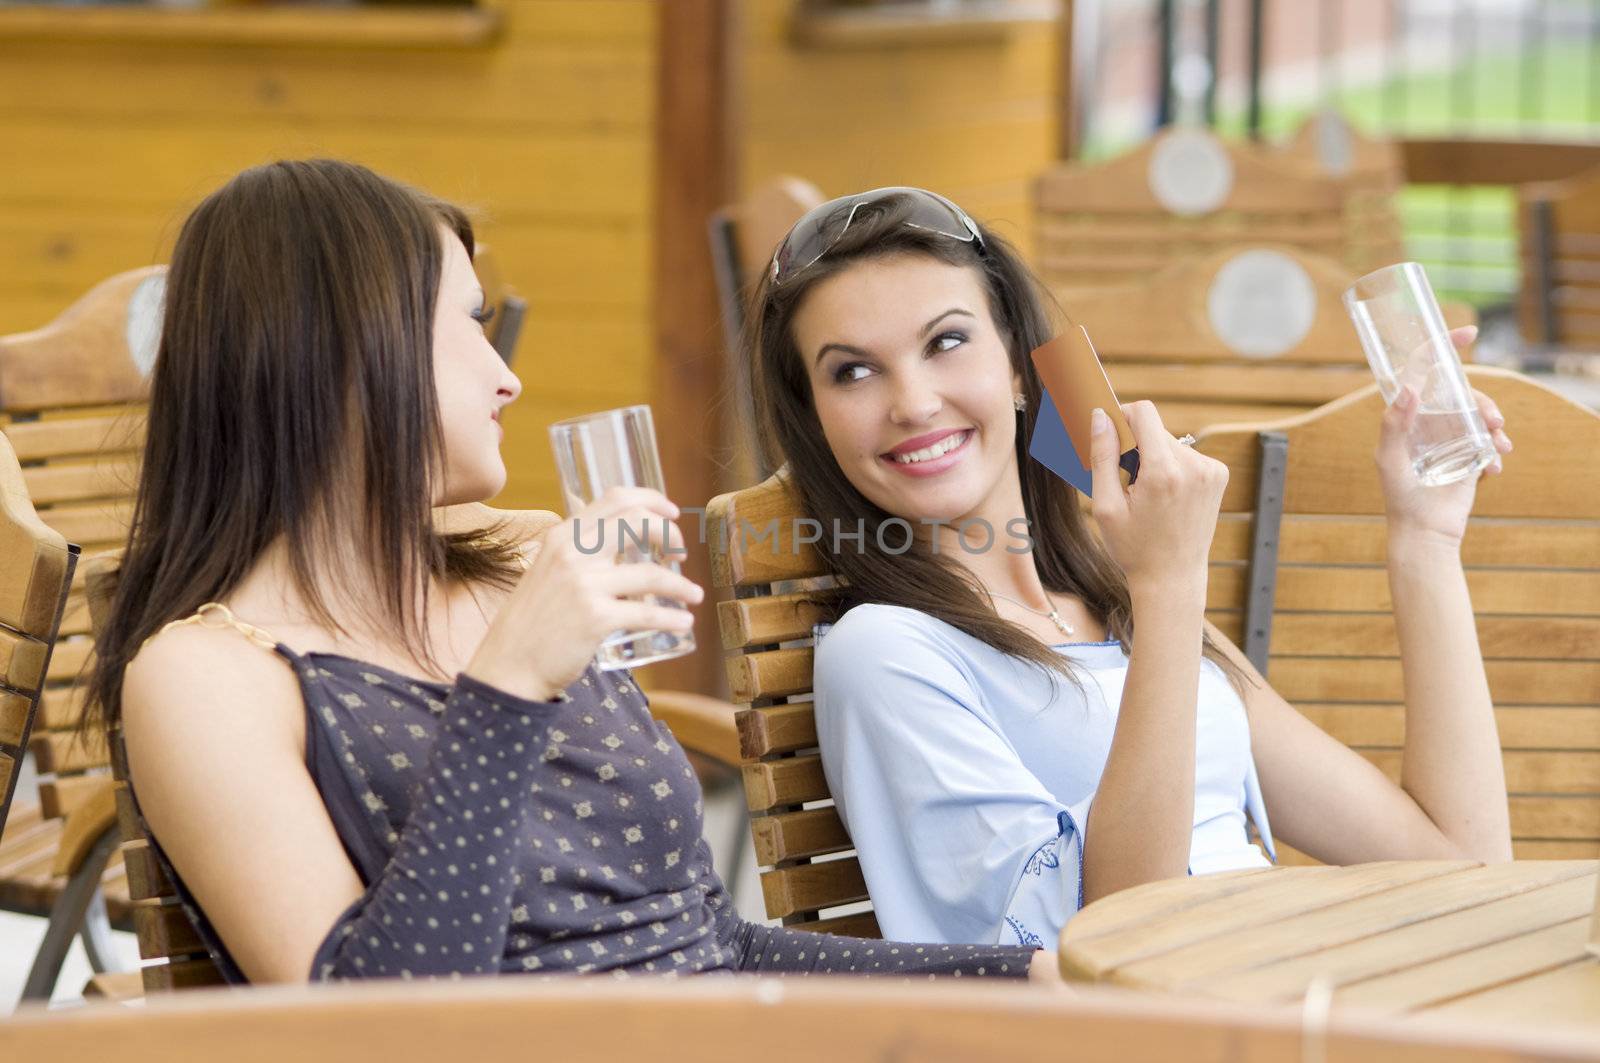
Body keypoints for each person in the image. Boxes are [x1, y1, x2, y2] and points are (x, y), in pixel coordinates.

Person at [86, 161, 1052, 983]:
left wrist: (1027, 978)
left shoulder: (518, 556)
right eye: (467, 324)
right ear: (339, 354)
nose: (504, 374)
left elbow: (705, 947)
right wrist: (508, 684)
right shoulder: (204, 673)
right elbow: (374, 1030)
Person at [743, 187, 1515, 948]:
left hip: (1298, 992)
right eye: (852, 372)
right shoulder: (887, 652)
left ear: (1017, 365)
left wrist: (1425, 541)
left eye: (945, 342)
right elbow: (1110, 949)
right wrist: (1170, 583)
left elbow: (1461, 870)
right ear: (814, 418)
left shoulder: (1120, 604)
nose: (912, 402)